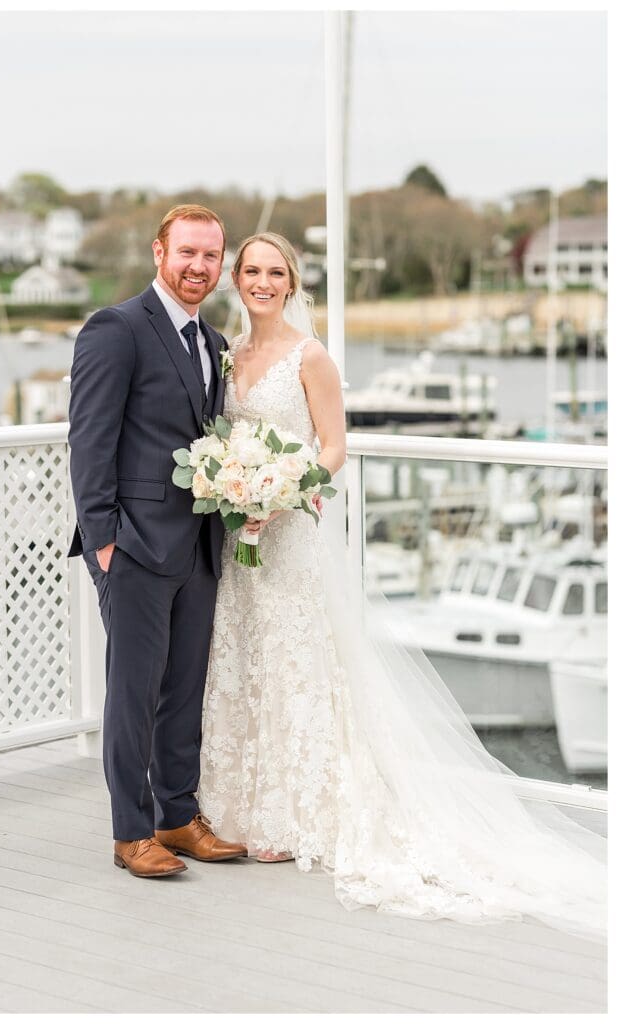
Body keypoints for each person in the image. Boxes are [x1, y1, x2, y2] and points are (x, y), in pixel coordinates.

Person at [198, 232, 606, 941]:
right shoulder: (227, 354)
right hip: (239, 539)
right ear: (237, 279)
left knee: (300, 666)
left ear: (294, 283)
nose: (263, 282)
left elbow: (333, 448)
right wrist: (235, 489)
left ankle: (302, 814)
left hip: (290, 536)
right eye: (252, 271)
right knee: (244, 662)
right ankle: (238, 802)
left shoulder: (310, 356)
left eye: (276, 272)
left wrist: (284, 491)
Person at [68, 204, 247, 878]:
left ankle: (177, 815)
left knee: (183, 688)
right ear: (159, 253)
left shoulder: (214, 344)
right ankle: (130, 831)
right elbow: (88, 441)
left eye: (210, 256)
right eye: (188, 254)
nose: (199, 267)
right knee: (133, 691)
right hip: (136, 545)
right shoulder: (116, 329)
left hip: (200, 544)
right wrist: (104, 541)